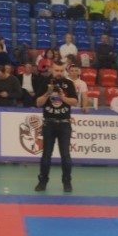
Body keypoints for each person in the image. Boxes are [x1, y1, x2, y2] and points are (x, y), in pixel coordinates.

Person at [35, 60, 78, 193]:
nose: (59, 73)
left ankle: (67, 181)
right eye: (56, 70)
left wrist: (63, 97)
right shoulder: (44, 82)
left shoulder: (69, 83)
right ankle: (43, 181)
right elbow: (38, 103)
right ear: (52, 70)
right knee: (46, 154)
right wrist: (48, 93)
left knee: (65, 155)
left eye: (61, 70)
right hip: (49, 123)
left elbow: (75, 102)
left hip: (64, 124)